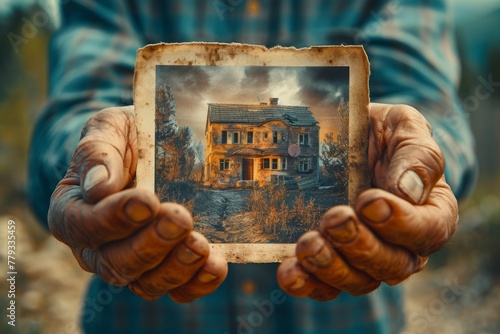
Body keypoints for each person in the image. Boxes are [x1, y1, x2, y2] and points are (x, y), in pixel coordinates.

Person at [28, 0, 477, 333]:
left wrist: (412, 164)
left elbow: (430, 106)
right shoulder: (221, 127)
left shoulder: (296, 129)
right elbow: (79, 100)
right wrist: (95, 162)